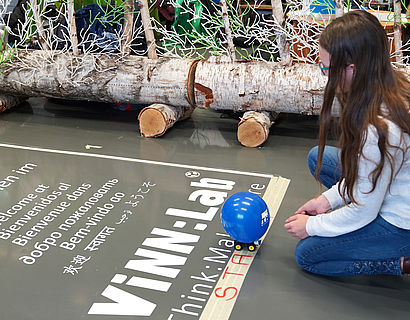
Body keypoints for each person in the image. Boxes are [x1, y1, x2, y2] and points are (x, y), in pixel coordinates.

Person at [284, 10, 410, 276]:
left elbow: (364, 211)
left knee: (308, 255)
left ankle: (398, 261)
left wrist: (312, 227)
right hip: (389, 185)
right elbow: (367, 175)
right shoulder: (391, 81)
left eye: (326, 68)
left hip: (401, 221)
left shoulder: (377, 129)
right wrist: (327, 201)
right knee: (319, 157)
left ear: (351, 68)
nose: (324, 75)